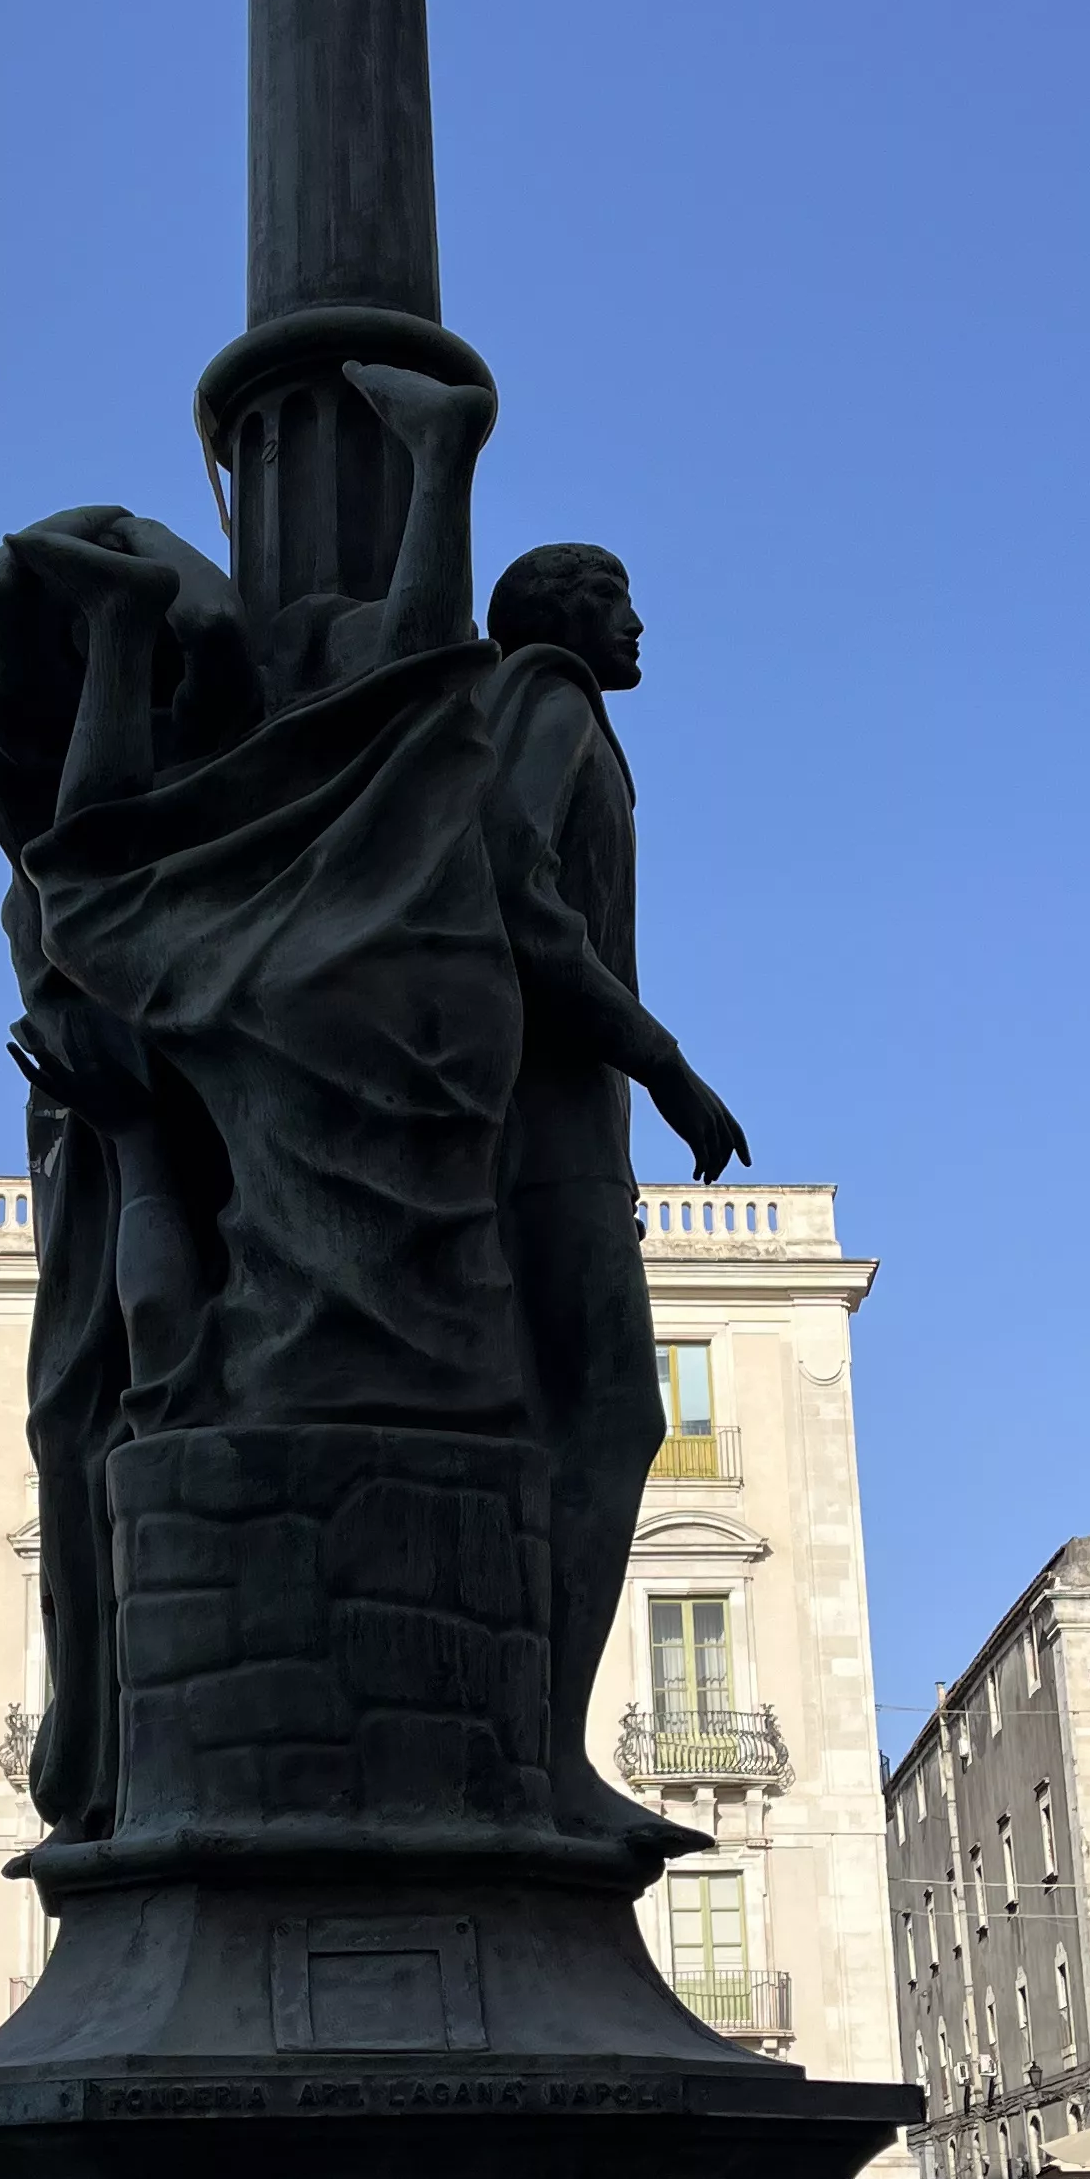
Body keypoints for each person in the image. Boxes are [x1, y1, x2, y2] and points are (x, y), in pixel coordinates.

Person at [479, 542, 749, 1840]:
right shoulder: (549, 702)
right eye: (619, 601)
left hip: (560, 1118)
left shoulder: (550, 708)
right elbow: (516, 897)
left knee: (563, 1424)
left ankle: (532, 1741)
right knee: (610, 1418)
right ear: (565, 617)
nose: (641, 623)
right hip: (543, 1119)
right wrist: (665, 1064)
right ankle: (537, 1749)